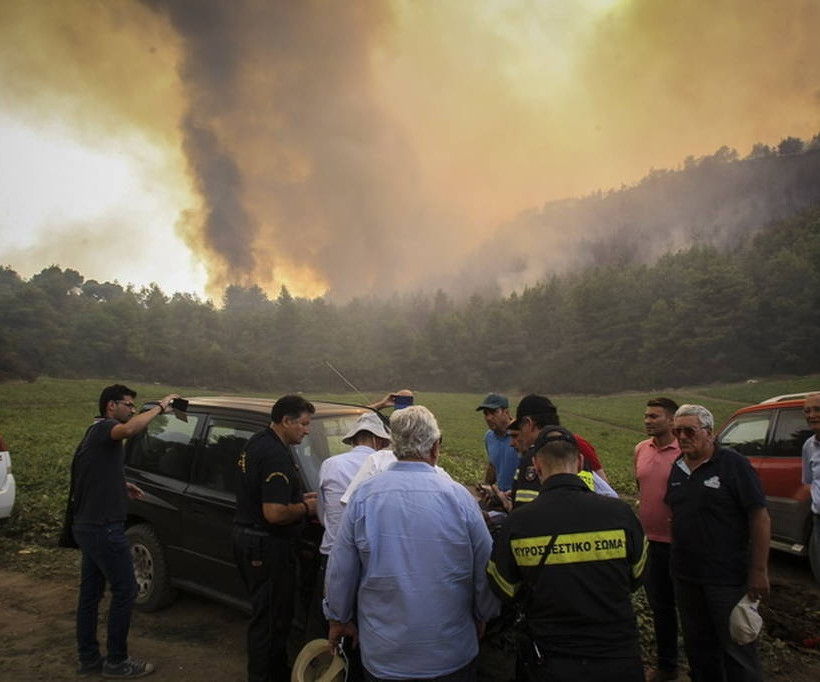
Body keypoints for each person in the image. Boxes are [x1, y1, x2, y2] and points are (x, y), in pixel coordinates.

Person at [324, 405, 498, 681]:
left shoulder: (364, 497)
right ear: (435, 447)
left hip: (384, 656)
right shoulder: (459, 497)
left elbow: (341, 567)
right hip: (451, 654)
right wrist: (483, 613)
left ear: (394, 446)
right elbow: (486, 563)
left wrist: (338, 618)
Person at [487, 427, 647, 682]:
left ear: (537, 466)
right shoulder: (620, 514)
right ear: (581, 463)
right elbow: (638, 574)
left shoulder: (518, 523)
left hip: (549, 657)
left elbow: (503, 586)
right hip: (617, 654)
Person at [72, 384, 179, 679]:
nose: (132, 410)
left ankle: (89, 659)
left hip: (90, 525)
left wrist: (121, 485)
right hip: (103, 528)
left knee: (91, 594)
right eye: (129, 405)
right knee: (126, 590)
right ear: (111, 406)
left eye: (134, 406)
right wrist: (160, 406)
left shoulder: (97, 435)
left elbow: (93, 471)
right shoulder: (105, 428)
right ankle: (117, 662)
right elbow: (131, 430)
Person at [665, 404, 770, 682]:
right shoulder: (677, 468)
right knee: (699, 649)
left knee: (737, 649)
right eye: (678, 431)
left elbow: (759, 517)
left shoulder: (733, 465)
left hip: (726, 578)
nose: (683, 436)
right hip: (687, 577)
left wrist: (758, 571)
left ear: (709, 433)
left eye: (690, 430)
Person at [233, 394, 318, 682]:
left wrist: (295, 496)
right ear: (286, 421)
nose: (307, 431)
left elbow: (263, 492)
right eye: (304, 424)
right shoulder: (276, 455)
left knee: (270, 616)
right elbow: (274, 513)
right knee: (270, 621)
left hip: (248, 537)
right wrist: (307, 506)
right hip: (266, 546)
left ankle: (276, 672)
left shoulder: (258, 441)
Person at [306, 412, 391, 644]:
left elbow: (324, 515)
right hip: (371, 560)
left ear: (353, 440)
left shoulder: (330, 465)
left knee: (330, 624)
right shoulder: (387, 469)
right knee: (366, 626)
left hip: (332, 556)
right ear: (381, 441)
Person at [634, 397, 681, 682]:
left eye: (655, 416)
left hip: (680, 542)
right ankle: (667, 665)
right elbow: (642, 488)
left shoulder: (684, 451)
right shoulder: (640, 449)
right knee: (660, 606)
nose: (648, 420)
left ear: (672, 420)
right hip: (651, 541)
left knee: (688, 606)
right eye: (647, 416)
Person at [509, 394, 614, 509]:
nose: (520, 436)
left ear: (530, 424)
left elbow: (524, 514)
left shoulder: (533, 458)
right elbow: (609, 494)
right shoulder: (573, 450)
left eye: (520, 428)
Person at [476, 393, 519, 492]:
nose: (489, 418)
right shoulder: (489, 437)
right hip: (502, 497)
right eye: (486, 413)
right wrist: (486, 486)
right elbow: (493, 465)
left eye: (493, 412)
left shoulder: (521, 434)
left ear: (506, 412)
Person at [802, 392, 820, 579]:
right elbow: (809, 481)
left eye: (817, 409)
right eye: (807, 411)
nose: (811, 415)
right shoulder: (808, 446)